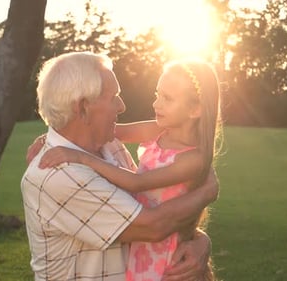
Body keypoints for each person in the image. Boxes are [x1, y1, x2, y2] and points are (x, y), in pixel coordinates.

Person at [21, 51, 218, 281]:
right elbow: (154, 226)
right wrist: (208, 190)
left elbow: (152, 201)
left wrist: (200, 240)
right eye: (114, 96)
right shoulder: (59, 174)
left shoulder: (108, 145)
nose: (122, 106)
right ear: (83, 108)